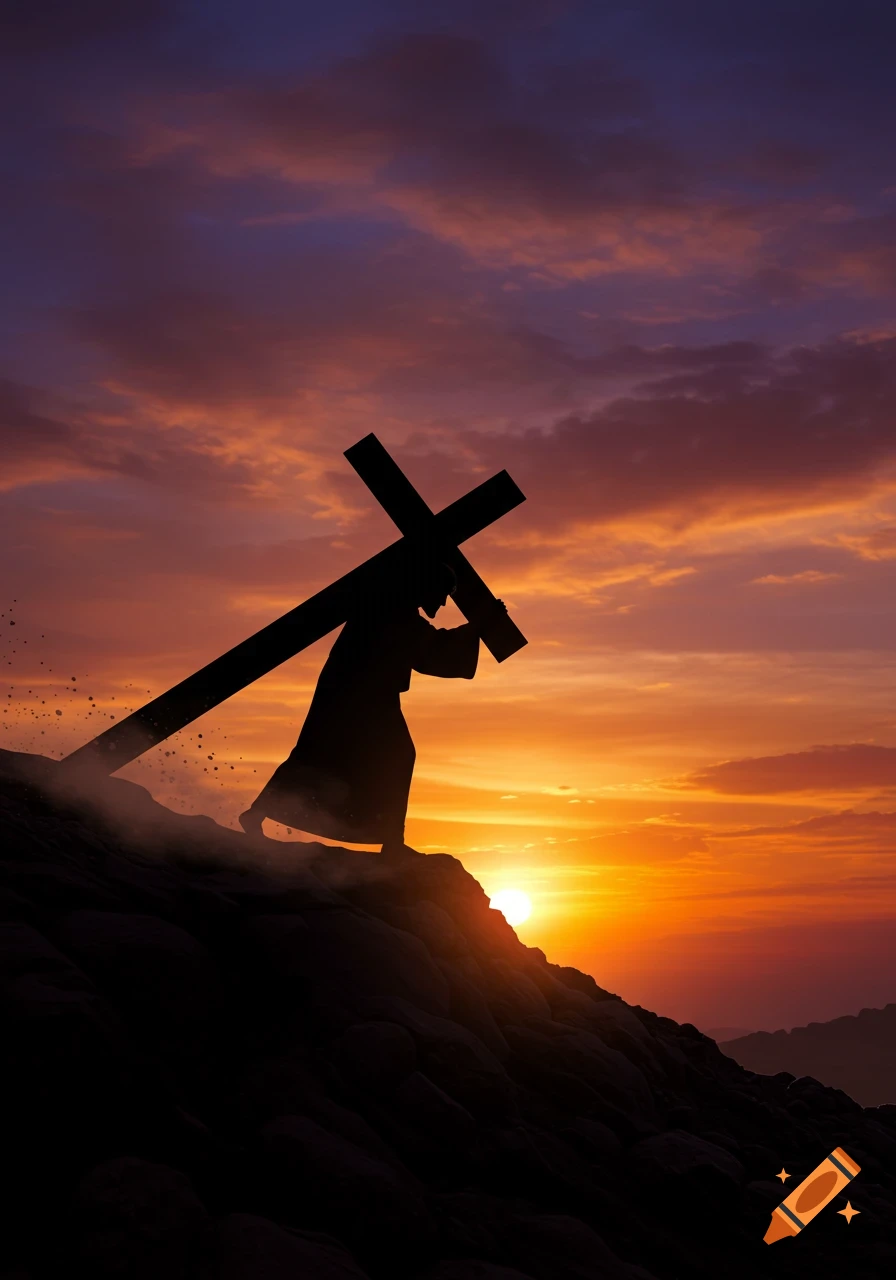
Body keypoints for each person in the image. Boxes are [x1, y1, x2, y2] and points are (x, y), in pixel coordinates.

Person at [239, 560, 505, 854]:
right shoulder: (391, 611)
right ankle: (392, 841)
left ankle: (258, 815)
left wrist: (476, 628)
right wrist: (478, 627)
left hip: (363, 694)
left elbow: (427, 644)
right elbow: (429, 646)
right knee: (376, 754)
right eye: (441, 593)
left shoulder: (394, 608)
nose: (443, 602)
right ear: (425, 586)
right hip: (358, 695)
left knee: (326, 753)